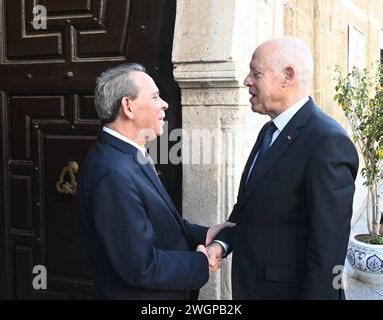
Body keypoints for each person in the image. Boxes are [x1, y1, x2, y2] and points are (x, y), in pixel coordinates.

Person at [208, 37, 359, 299]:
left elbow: (328, 250)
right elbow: (247, 209)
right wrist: (222, 244)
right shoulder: (269, 131)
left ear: (288, 75)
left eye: (256, 73)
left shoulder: (327, 141)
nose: (247, 81)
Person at [77, 63, 232, 299]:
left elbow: (156, 224)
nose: (165, 104)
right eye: (155, 96)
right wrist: (200, 263)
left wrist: (205, 234)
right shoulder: (113, 173)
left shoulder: (127, 154)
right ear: (128, 107)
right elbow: (140, 265)